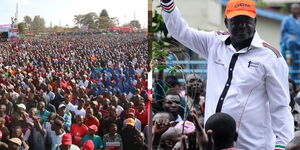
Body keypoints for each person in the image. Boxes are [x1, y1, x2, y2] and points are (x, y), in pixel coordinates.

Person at [160, 0, 294, 149]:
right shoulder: (214, 42)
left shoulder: (271, 57)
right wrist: (167, 4)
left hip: (252, 145)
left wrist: (281, 145)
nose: (242, 25)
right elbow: (180, 32)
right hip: (213, 143)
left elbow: (280, 107)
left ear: (255, 21)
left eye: (247, 20)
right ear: (226, 22)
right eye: (236, 20)